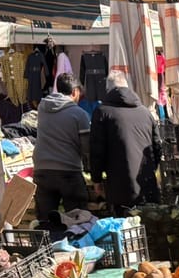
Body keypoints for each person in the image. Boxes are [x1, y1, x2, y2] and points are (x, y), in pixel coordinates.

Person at [89, 71, 161, 215]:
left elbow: (97, 149)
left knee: (126, 231)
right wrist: (152, 169)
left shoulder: (102, 112)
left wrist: (96, 179)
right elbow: (157, 146)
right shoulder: (145, 112)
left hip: (119, 187)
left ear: (108, 90)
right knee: (151, 227)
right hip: (146, 184)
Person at [32, 73, 91, 218]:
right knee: (78, 220)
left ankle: (49, 240)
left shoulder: (42, 108)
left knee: (45, 221)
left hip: (42, 170)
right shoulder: (79, 114)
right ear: (75, 91)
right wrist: (91, 172)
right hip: (68, 171)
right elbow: (86, 149)